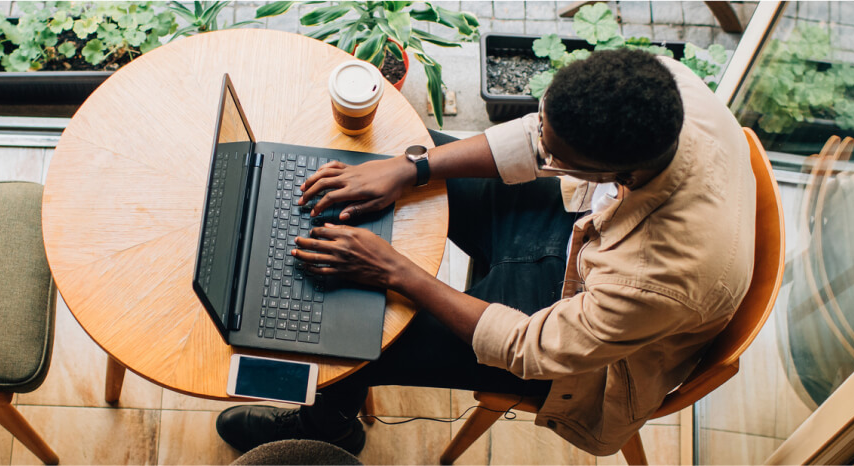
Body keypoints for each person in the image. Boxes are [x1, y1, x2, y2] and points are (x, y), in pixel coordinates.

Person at [215, 48, 757, 457]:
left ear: (617, 174)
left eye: (554, 154)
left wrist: (394, 269)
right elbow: (539, 138)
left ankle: (325, 430)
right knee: (396, 155)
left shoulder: (663, 277)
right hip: (582, 228)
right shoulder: (664, 88)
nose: (541, 145)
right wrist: (413, 167)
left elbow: (531, 348)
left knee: (355, 338)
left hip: (572, 332)